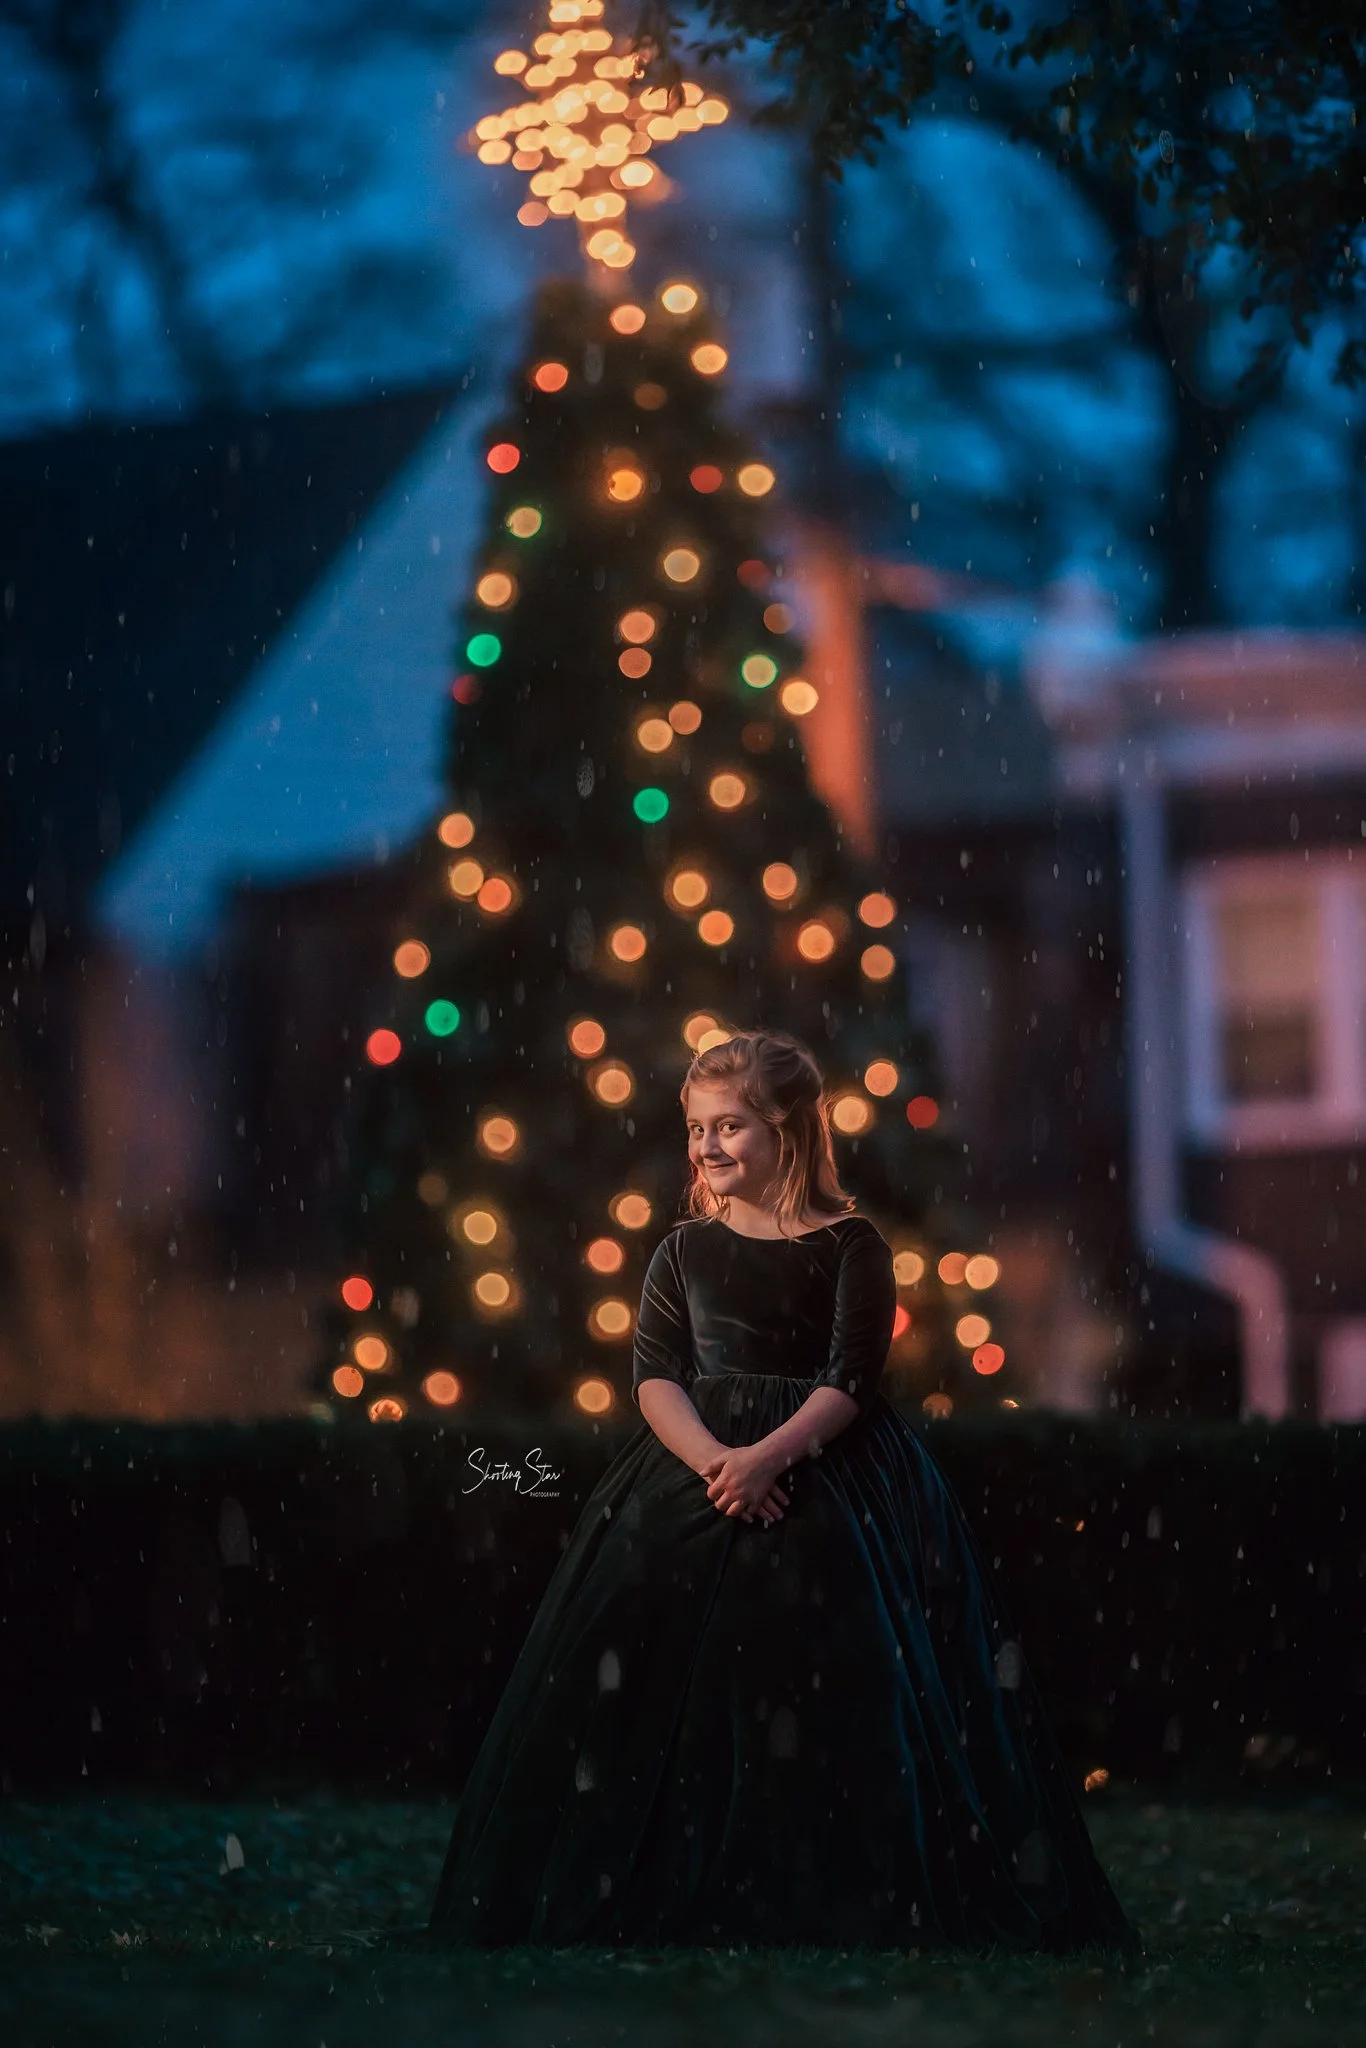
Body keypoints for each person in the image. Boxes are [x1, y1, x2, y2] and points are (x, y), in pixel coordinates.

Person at [427, 1027, 1141, 1957]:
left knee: (840, 1667)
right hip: (695, 1472)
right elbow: (655, 1377)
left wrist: (772, 1457)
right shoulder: (681, 1254)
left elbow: (852, 1377)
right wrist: (719, 1465)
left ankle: (833, 1884)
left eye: (730, 1126)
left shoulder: (852, 1246)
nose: (707, 1147)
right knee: (663, 1676)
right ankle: (662, 1879)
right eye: (696, 1129)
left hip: (832, 1473)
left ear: (790, 1132)